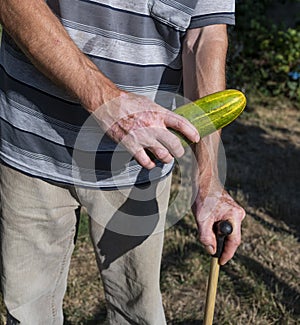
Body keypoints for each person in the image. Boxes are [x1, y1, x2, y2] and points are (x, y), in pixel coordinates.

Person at [0, 0, 245, 324]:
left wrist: (209, 180)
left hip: (140, 162)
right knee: (29, 311)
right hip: (32, 139)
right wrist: (105, 100)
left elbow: (204, 38)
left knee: (138, 310)